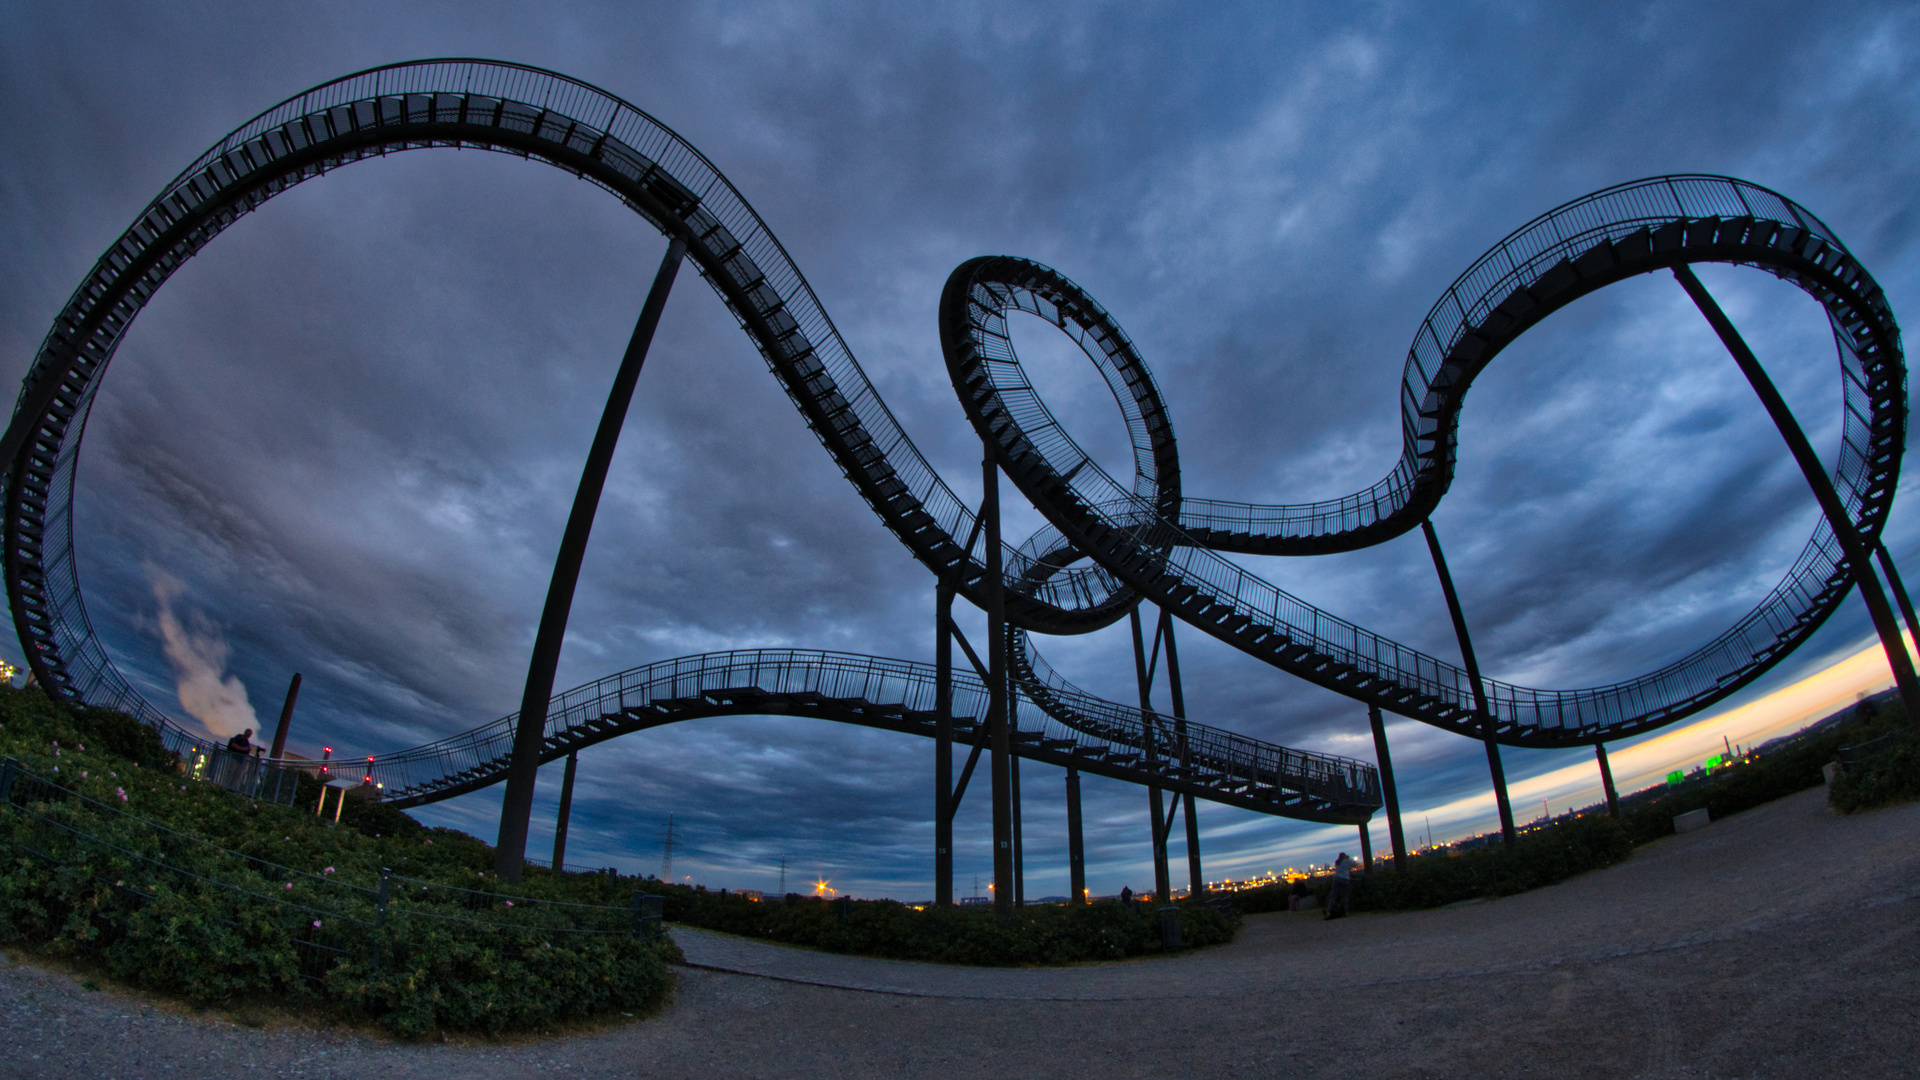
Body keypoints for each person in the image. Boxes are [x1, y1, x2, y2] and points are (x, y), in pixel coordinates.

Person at [1325, 852, 1354, 920]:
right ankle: (1346, 911)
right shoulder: (1347, 861)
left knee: (1333, 896)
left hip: (1336, 879)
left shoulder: (1337, 862)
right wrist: (1349, 858)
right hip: (1345, 879)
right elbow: (1354, 864)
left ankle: (1329, 910)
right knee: (1345, 895)